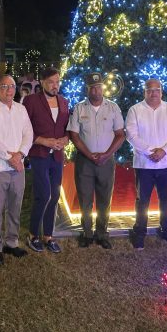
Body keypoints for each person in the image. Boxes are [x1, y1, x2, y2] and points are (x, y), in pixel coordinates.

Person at [67, 72, 126, 249]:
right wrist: (88, 154)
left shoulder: (113, 108)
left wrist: (107, 154)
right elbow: (74, 135)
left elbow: (120, 135)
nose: (96, 90)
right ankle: (86, 233)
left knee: (104, 198)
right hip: (85, 160)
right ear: (88, 89)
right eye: (92, 87)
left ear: (103, 88)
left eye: (98, 86)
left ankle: (102, 234)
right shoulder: (79, 108)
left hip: (106, 161)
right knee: (85, 199)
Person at [126, 78, 167, 249]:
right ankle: (139, 232)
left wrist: (164, 151)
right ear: (144, 92)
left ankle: (166, 229)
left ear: (161, 91)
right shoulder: (135, 110)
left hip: (166, 163)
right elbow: (131, 135)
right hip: (144, 164)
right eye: (149, 90)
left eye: (156, 89)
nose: (153, 93)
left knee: (166, 200)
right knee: (142, 200)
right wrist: (151, 150)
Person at [0, 75, 32, 265]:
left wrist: (20, 154)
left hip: (17, 165)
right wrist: (10, 157)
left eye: (12, 86)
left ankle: (11, 242)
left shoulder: (21, 109)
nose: (9, 90)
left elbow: (28, 132)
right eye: (4, 86)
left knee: (15, 207)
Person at [23, 68, 70, 253]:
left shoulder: (64, 102)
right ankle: (33, 234)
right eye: (51, 82)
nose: (55, 85)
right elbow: (24, 128)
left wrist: (66, 139)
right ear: (42, 82)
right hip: (39, 154)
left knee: (55, 195)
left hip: (57, 156)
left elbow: (68, 127)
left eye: (57, 81)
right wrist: (43, 140)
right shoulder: (31, 101)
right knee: (43, 194)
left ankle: (48, 236)